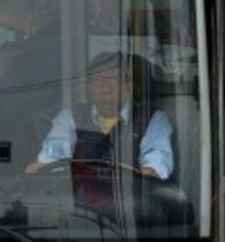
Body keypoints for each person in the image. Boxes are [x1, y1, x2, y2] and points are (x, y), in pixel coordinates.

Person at [28, 51, 174, 179]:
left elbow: (157, 160)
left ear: (129, 86)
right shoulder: (70, 116)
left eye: (114, 79)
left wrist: (150, 171)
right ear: (89, 87)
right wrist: (40, 167)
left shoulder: (153, 118)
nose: (106, 86)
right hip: (81, 200)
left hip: (129, 202)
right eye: (99, 79)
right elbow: (54, 154)